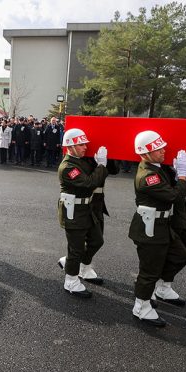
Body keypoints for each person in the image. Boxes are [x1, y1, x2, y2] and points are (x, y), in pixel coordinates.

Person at [128, 130, 186, 327]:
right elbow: (173, 196)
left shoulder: (157, 168)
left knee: (181, 256)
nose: (163, 150)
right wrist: (182, 175)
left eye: (162, 146)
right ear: (145, 153)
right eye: (157, 148)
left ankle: (160, 289)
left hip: (162, 225)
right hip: (150, 228)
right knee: (149, 271)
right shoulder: (148, 176)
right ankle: (141, 306)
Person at [56, 128, 108, 298]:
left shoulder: (81, 161)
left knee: (97, 241)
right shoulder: (68, 167)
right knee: (76, 249)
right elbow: (89, 183)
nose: (85, 147)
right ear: (70, 146)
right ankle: (71, 280)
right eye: (81, 144)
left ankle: (76, 265)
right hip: (73, 212)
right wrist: (101, 165)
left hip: (86, 209)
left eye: (85, 143)